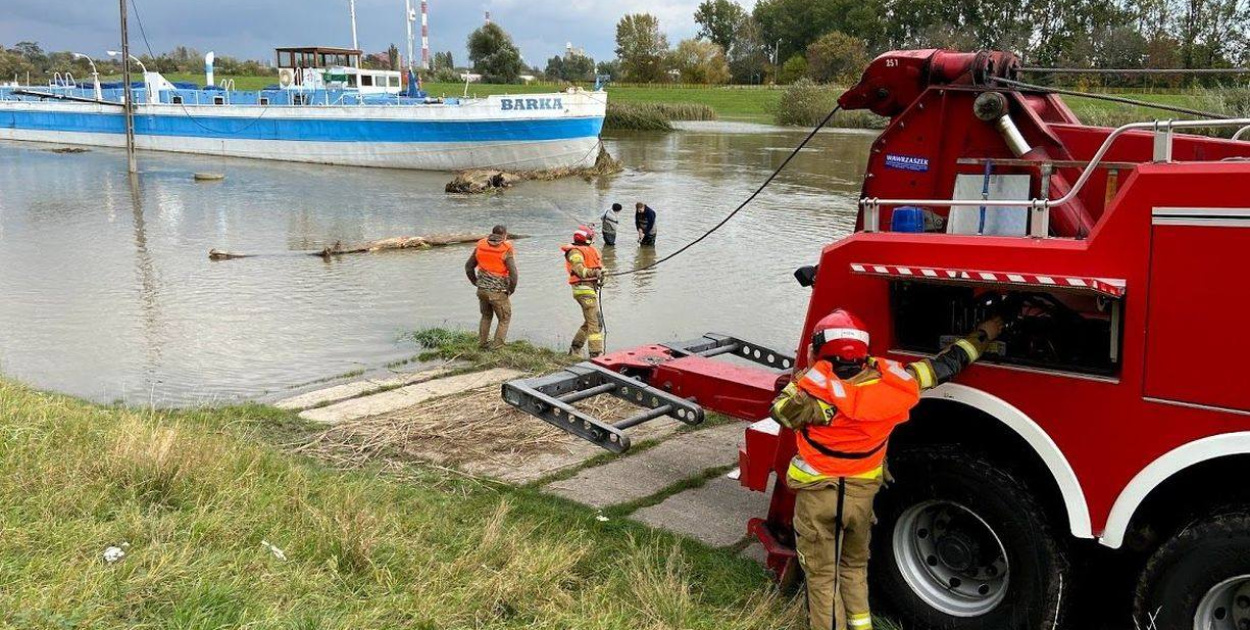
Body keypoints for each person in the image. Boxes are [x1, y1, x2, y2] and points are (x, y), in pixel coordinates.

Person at [769, 304, 1009, 630]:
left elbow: (781, 410)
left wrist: (813, 369)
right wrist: (984, 334)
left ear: (821, 352)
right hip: (860, 500)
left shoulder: (815, 398)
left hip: (819, 500)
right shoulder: (897, 385)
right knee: (854, 570)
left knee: (823, 578)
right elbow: (947, 364)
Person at [464, 225, 518, 350]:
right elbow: (514, 274)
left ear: (492, 233)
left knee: (486, 316)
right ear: (505, 235)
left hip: (482, 290)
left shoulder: (481, 245)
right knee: (504, 318)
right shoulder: (506, 248)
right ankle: (498, 346)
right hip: (497, 292)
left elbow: (468, 267)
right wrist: (511, 289)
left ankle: (482, 344)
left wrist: (476, 282)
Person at [560, 225, 605, 358]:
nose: (592, 239)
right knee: (594, 323)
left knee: (595, 321)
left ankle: (575, 349)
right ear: (586, 238)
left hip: (589, 288)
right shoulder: (575, 252)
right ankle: (595, 355)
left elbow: (597, 269)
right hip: (583, 289)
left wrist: (601, 276)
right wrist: (594, 273)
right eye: (591, 237)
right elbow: (580, 270)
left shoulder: (589, 250)